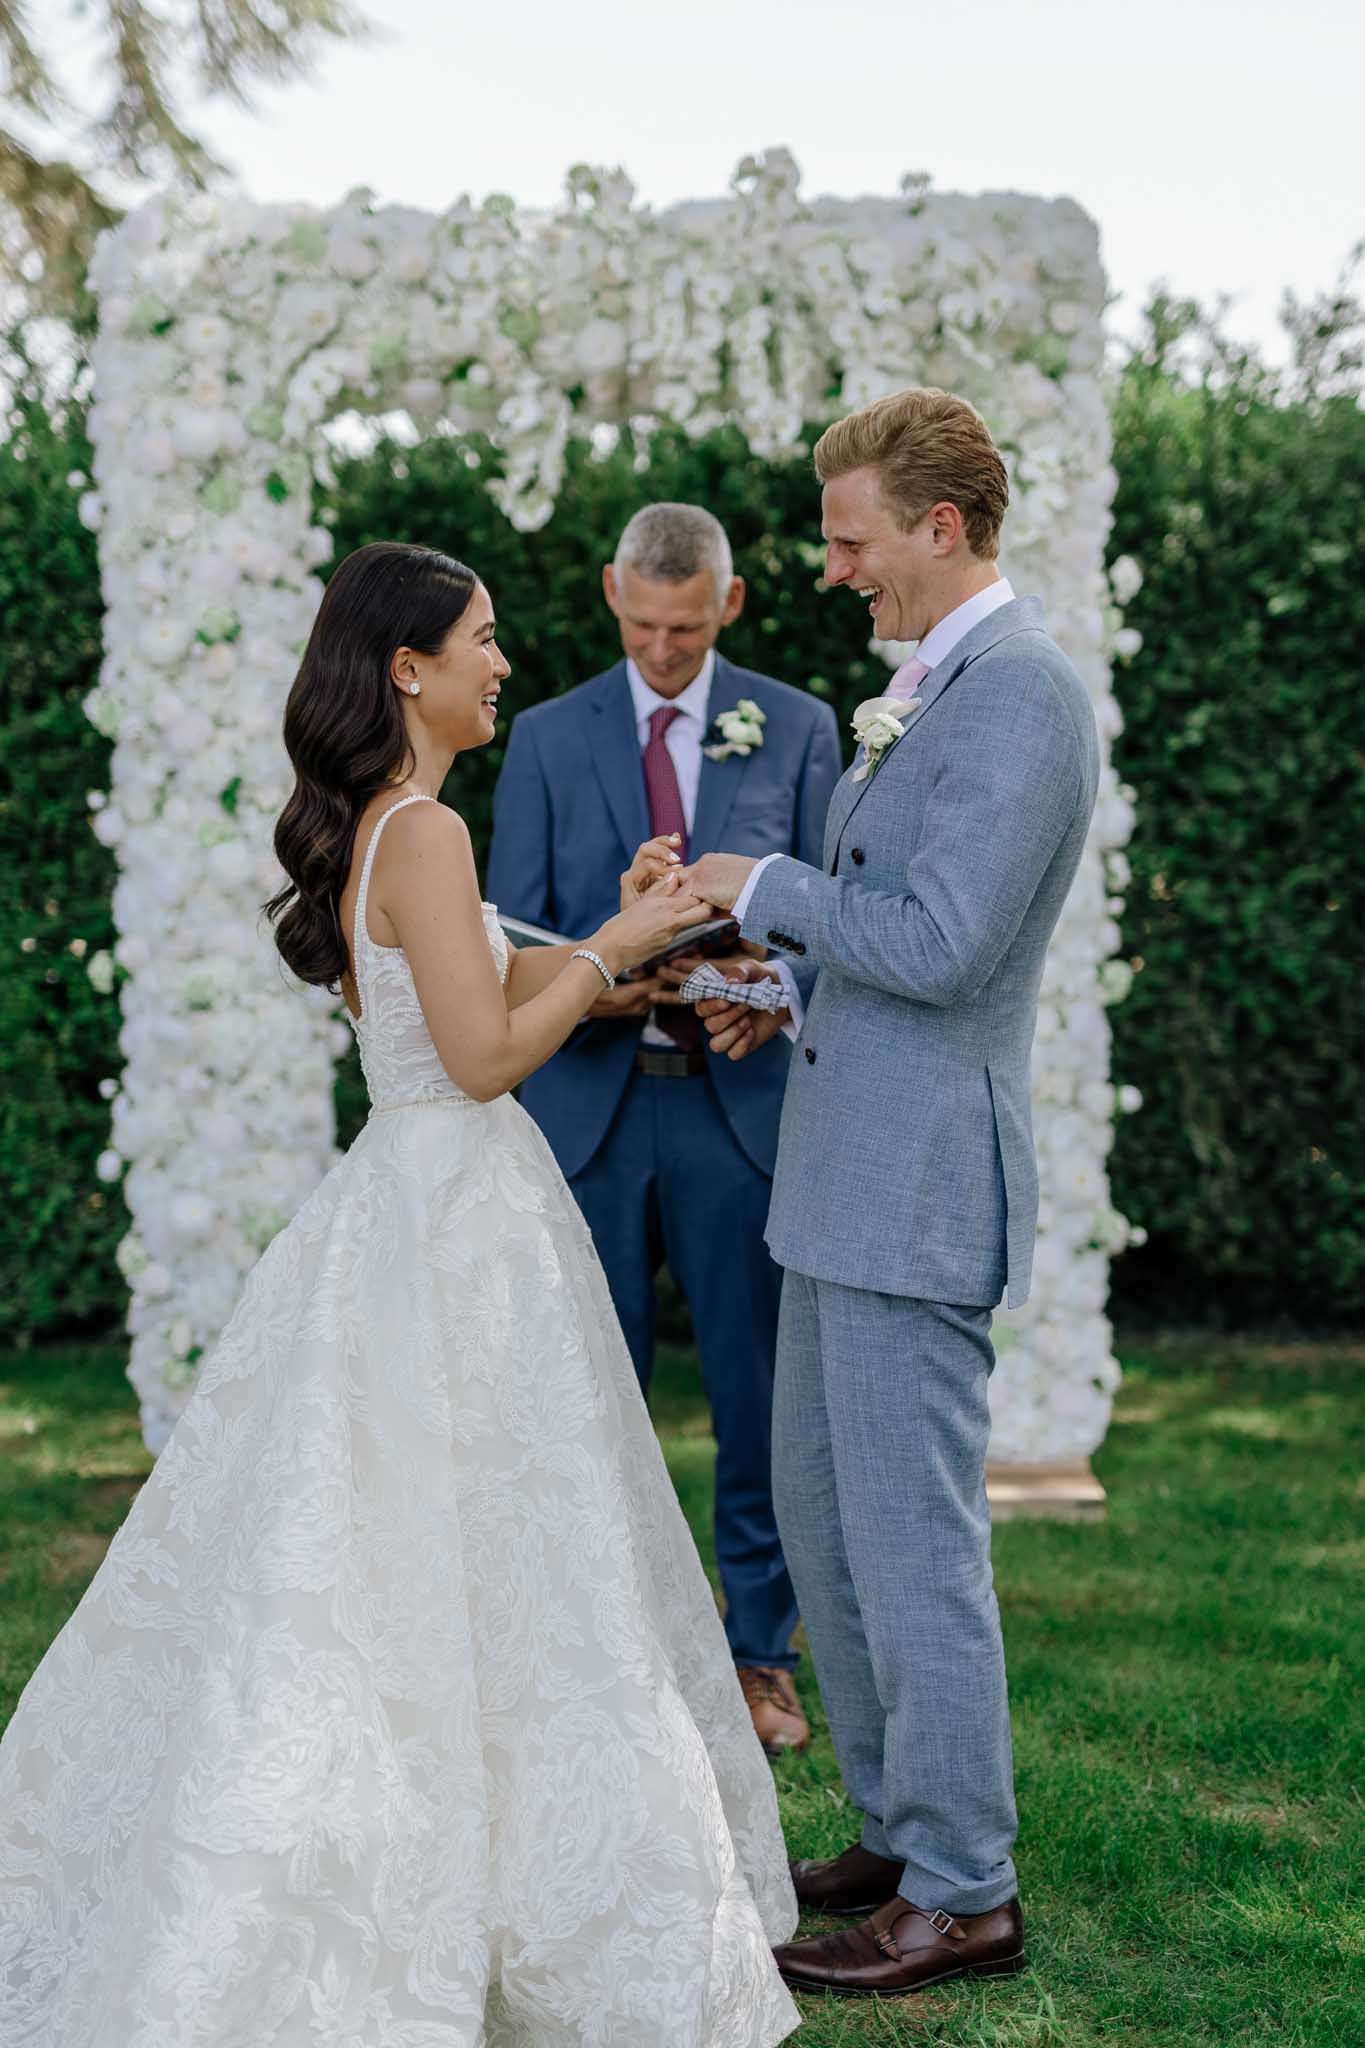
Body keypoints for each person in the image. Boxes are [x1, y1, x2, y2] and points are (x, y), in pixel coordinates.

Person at [0, 542, 799, 2046]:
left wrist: (604, 940)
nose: (506, 662)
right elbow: (486, 1058)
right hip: (454, 1212)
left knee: (435, 1539)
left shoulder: (391, 823)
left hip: (422, 1203)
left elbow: (475, 999)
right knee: (500, 1535)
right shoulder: (422, 829)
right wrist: (618, 950)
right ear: (407, 667)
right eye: (483, 639)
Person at [685, 389, 1102, 1999]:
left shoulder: (1022, 695)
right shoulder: (933, 686)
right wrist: (778, 986)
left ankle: (967, 1892)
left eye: (853, 540)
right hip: (837, 1184)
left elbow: (945, 945)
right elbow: (885, 942)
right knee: (827, 1526)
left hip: (916, 1191)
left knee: (912, 1547)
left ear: (941, 527)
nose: (834, 567)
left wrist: (762, 887)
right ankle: (898, 1833)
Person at [488, 503, 841, 1760]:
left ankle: (760, 1656)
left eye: (685, 630)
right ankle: (600, 1659)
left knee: (756, 1397)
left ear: (727, 606)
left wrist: (762, 977)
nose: (661, 649)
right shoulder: (543, 734)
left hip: (736, 1109)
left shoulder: (801, 726)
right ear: (611, 595)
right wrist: (607, 971)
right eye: (642, 626)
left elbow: (832, 918)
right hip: (588, 1105)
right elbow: (509, 928)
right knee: (586, 1396)